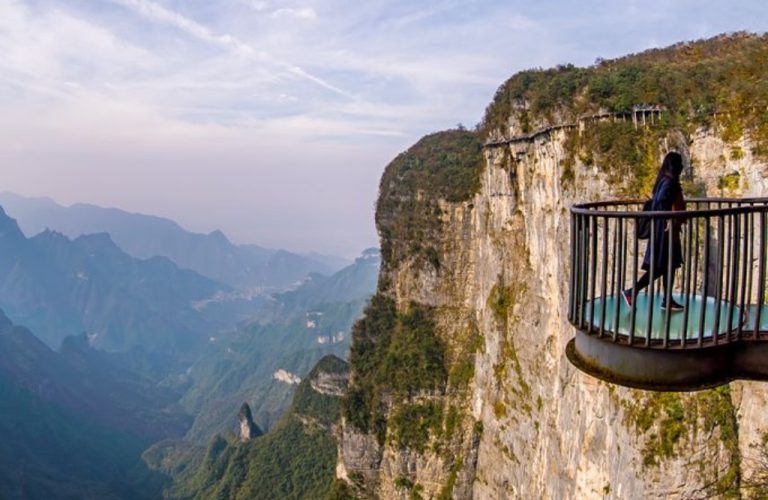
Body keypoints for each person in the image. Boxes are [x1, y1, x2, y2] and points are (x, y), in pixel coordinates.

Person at [623, 152, 686, 311]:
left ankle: (667, 299)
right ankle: (632, 291)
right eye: (680, 163)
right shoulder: (669, 182)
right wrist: (669, 219)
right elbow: (660, 202)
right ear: (675, 166)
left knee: (669, 265)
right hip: (664, 231)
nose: (682, 167)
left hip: (662, 229)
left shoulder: (663, 180)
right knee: (660, 266)